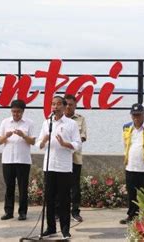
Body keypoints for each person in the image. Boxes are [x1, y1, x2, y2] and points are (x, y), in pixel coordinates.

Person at [38, 96, 82, 240]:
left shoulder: (71, 124)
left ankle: (65, 230)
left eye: (58, 104)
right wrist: (44, 139)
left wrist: (65, 144)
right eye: (53, 104)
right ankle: (51, 228)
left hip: (64, 167)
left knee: (64, 199)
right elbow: (39, 144)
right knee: (49, 199)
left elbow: (78, 144)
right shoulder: (47, 122)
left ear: (64, 107)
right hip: (49, 165)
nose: (55, 107)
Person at [0, 99, 36, 221]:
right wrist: (6, 136)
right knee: (9, 186)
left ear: (23, 111)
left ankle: (22, 212)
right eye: (13, 111)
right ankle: (8, 212)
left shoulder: (29, 123)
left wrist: (23, 135)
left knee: (23, 187)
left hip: (23, 160)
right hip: (8, 159)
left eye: (18, 112)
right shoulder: (5, 122)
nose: (15, 114)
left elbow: (33, 141)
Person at [64, 94, 87, 222]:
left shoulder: (80, 119)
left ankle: (75, 212)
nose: (68, 107)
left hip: (75, 158)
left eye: (71, 104)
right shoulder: (55, 119)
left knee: (75, 187)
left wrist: (68, 143)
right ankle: (58, 212)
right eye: (66, 104)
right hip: (60, 160)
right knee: (60, 187)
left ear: (75, 105)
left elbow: (82, 137)